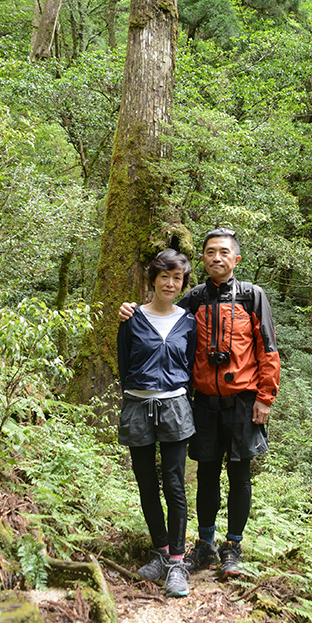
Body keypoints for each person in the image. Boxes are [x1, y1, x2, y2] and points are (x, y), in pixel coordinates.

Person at [119, 228, 280, 580]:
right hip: (203, 402)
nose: (216, 258)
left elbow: (268, 349)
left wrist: (265, 398)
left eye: (224, 252)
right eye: (210, 252)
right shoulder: (193, 299)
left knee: (239, 474)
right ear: (203, 258)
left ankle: (232, 547)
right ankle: (205, 545)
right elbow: (162, 319)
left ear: (236, 258)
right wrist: (130, 310)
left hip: (243, 401)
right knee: (206, 473)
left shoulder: (252, 297)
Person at [117, 248, 197, 598]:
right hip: (138, 406)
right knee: (147, 483)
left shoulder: (188, 321)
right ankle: (160, 552)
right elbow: (124, 363)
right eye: (164, 276)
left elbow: (190, 365)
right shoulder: (131, 318)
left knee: (174, 483)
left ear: (182, 283)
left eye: (177, 278)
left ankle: (177, 562)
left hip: (175, 407)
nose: (170, 283)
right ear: (152, 279)